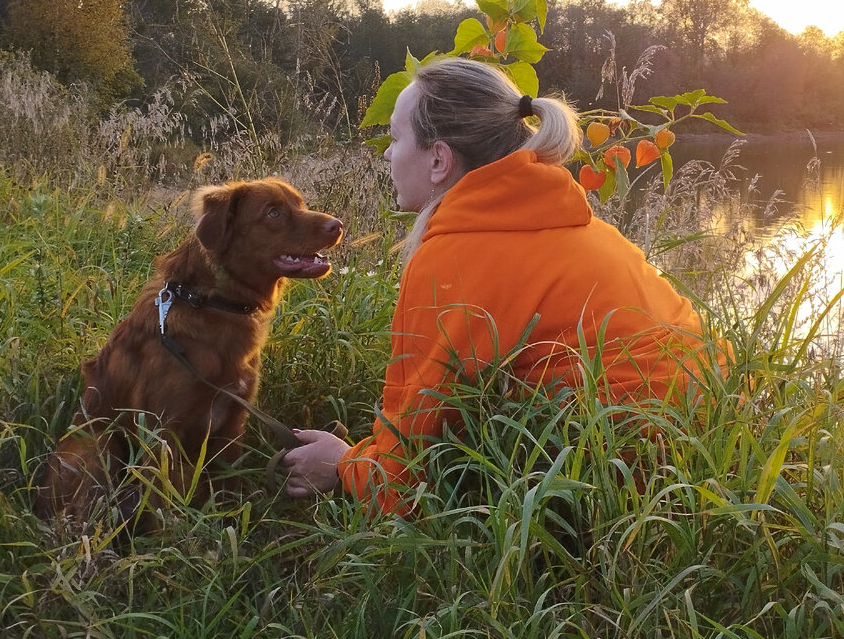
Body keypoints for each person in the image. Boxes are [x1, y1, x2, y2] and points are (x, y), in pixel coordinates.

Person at [282, 57, 717, 513]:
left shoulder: (456, 257)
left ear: (438, 159)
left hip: (625, 492)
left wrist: (342, 465)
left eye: (395, 138)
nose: (388, 154)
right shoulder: (581, 225)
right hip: (714, 447)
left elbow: (406, 468)